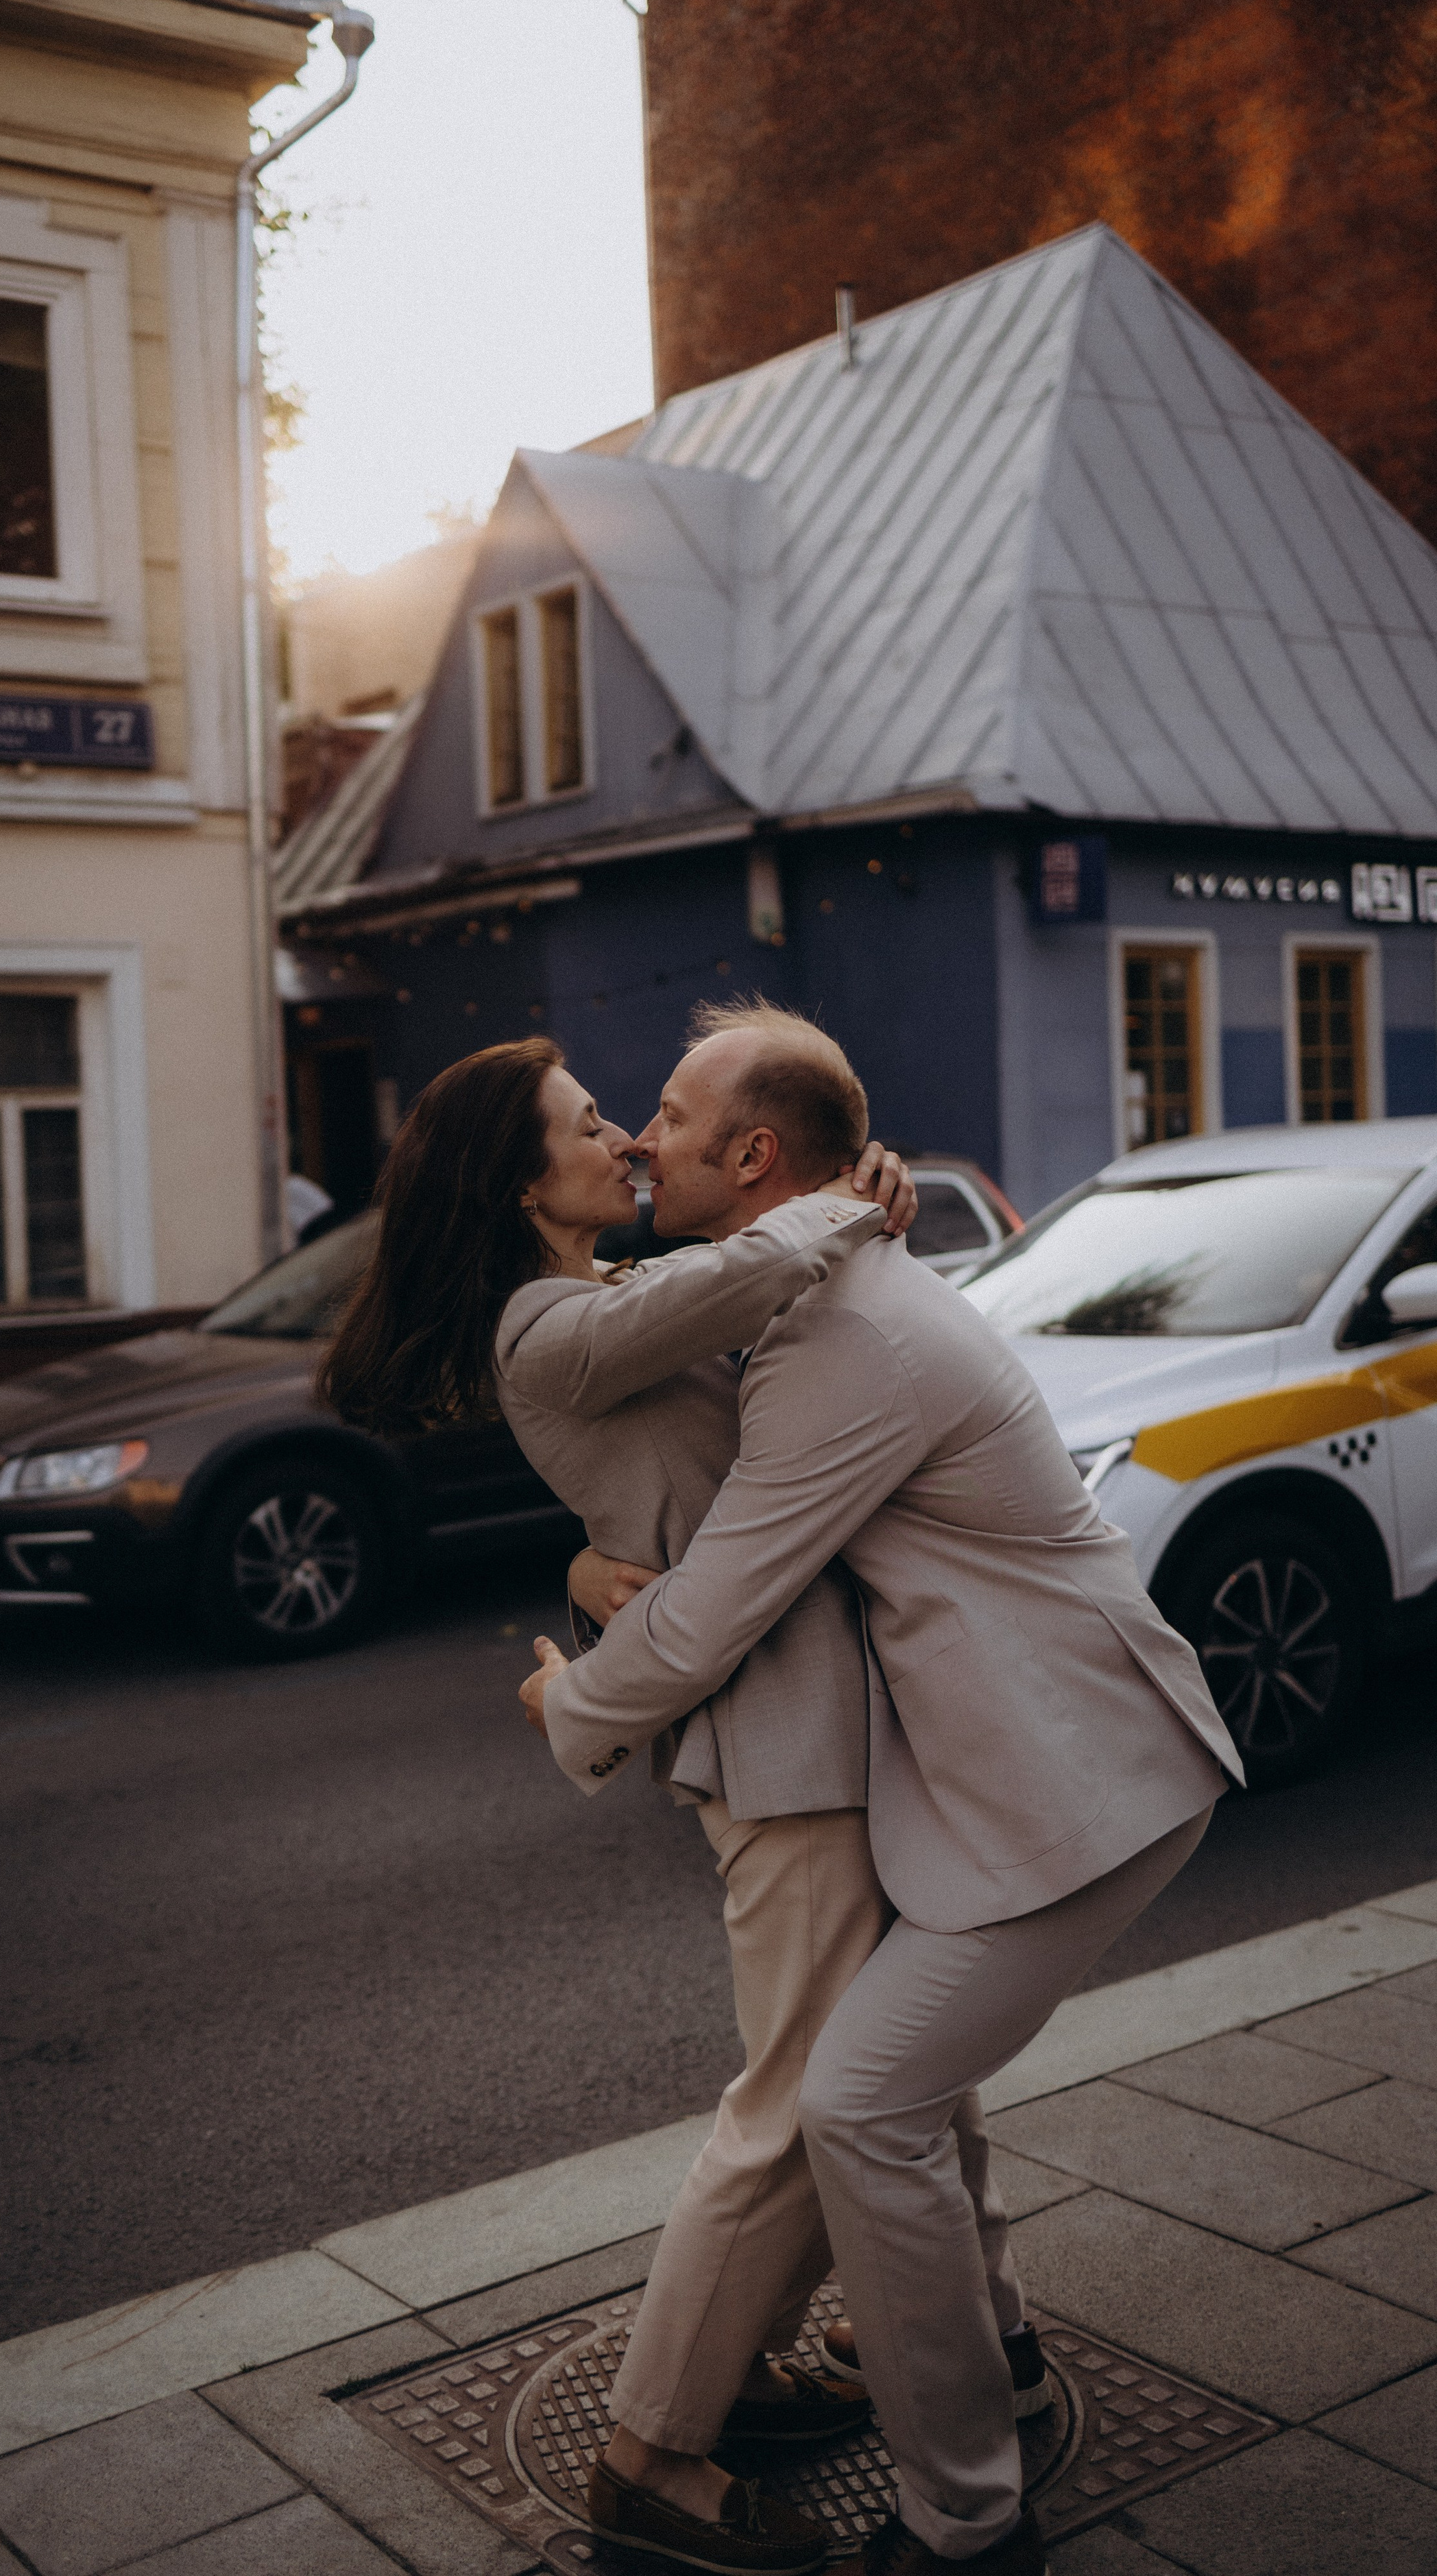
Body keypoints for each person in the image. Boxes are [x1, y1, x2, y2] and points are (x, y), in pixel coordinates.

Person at [519, 1002, 1245, 2576]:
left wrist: (574, 1701)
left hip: (1079, 1780)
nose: (639, 1134)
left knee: (860, 2105)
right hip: (1030, 1779)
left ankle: (965, 2521)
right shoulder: (815, 1286)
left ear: (752, 1156)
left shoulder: (839, 1343)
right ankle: (997, 2357)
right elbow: (649, 1357)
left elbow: (716, 1603)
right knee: (910, 2092)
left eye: (662, 1110)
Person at [321, 1026, 918, 2576]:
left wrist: (585, 1579)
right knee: (792, 2106)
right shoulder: (546, 1325)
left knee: (842, 2089)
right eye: (597, 1125)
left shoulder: (584, 1307)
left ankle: (764, 2362)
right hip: (777, 1748)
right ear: (521, 1179)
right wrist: (852, 1194)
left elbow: (660, 1492)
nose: (632, 1146)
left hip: (815, 1728)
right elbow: (731, 1289)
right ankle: (654, 2454)